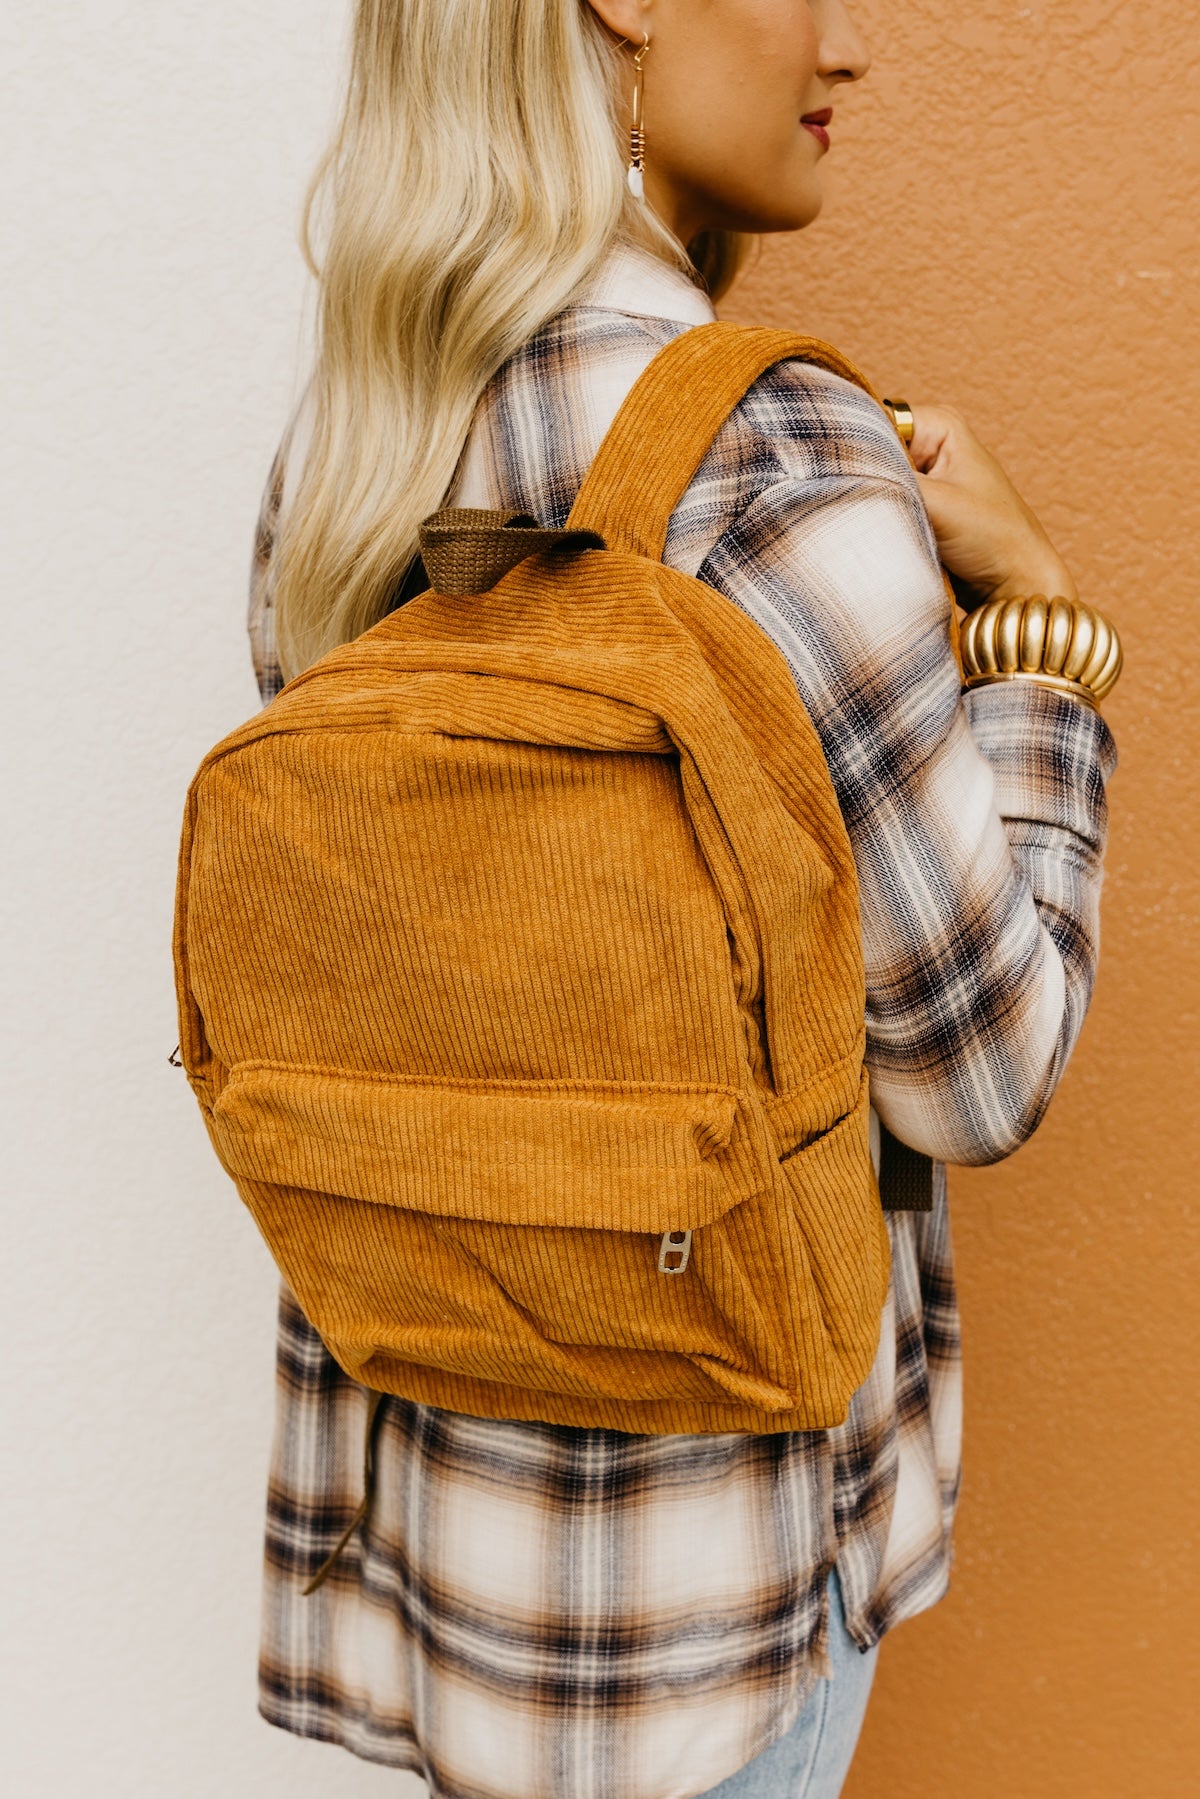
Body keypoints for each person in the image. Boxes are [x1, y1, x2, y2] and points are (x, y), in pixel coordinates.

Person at [245, 3, 1117, 1795]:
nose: (850, 45)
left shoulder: (355, 447)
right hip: (707, 1622)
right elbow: (988, 1069)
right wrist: (1042, 635)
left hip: (447, 1570)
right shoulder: (781, 459)